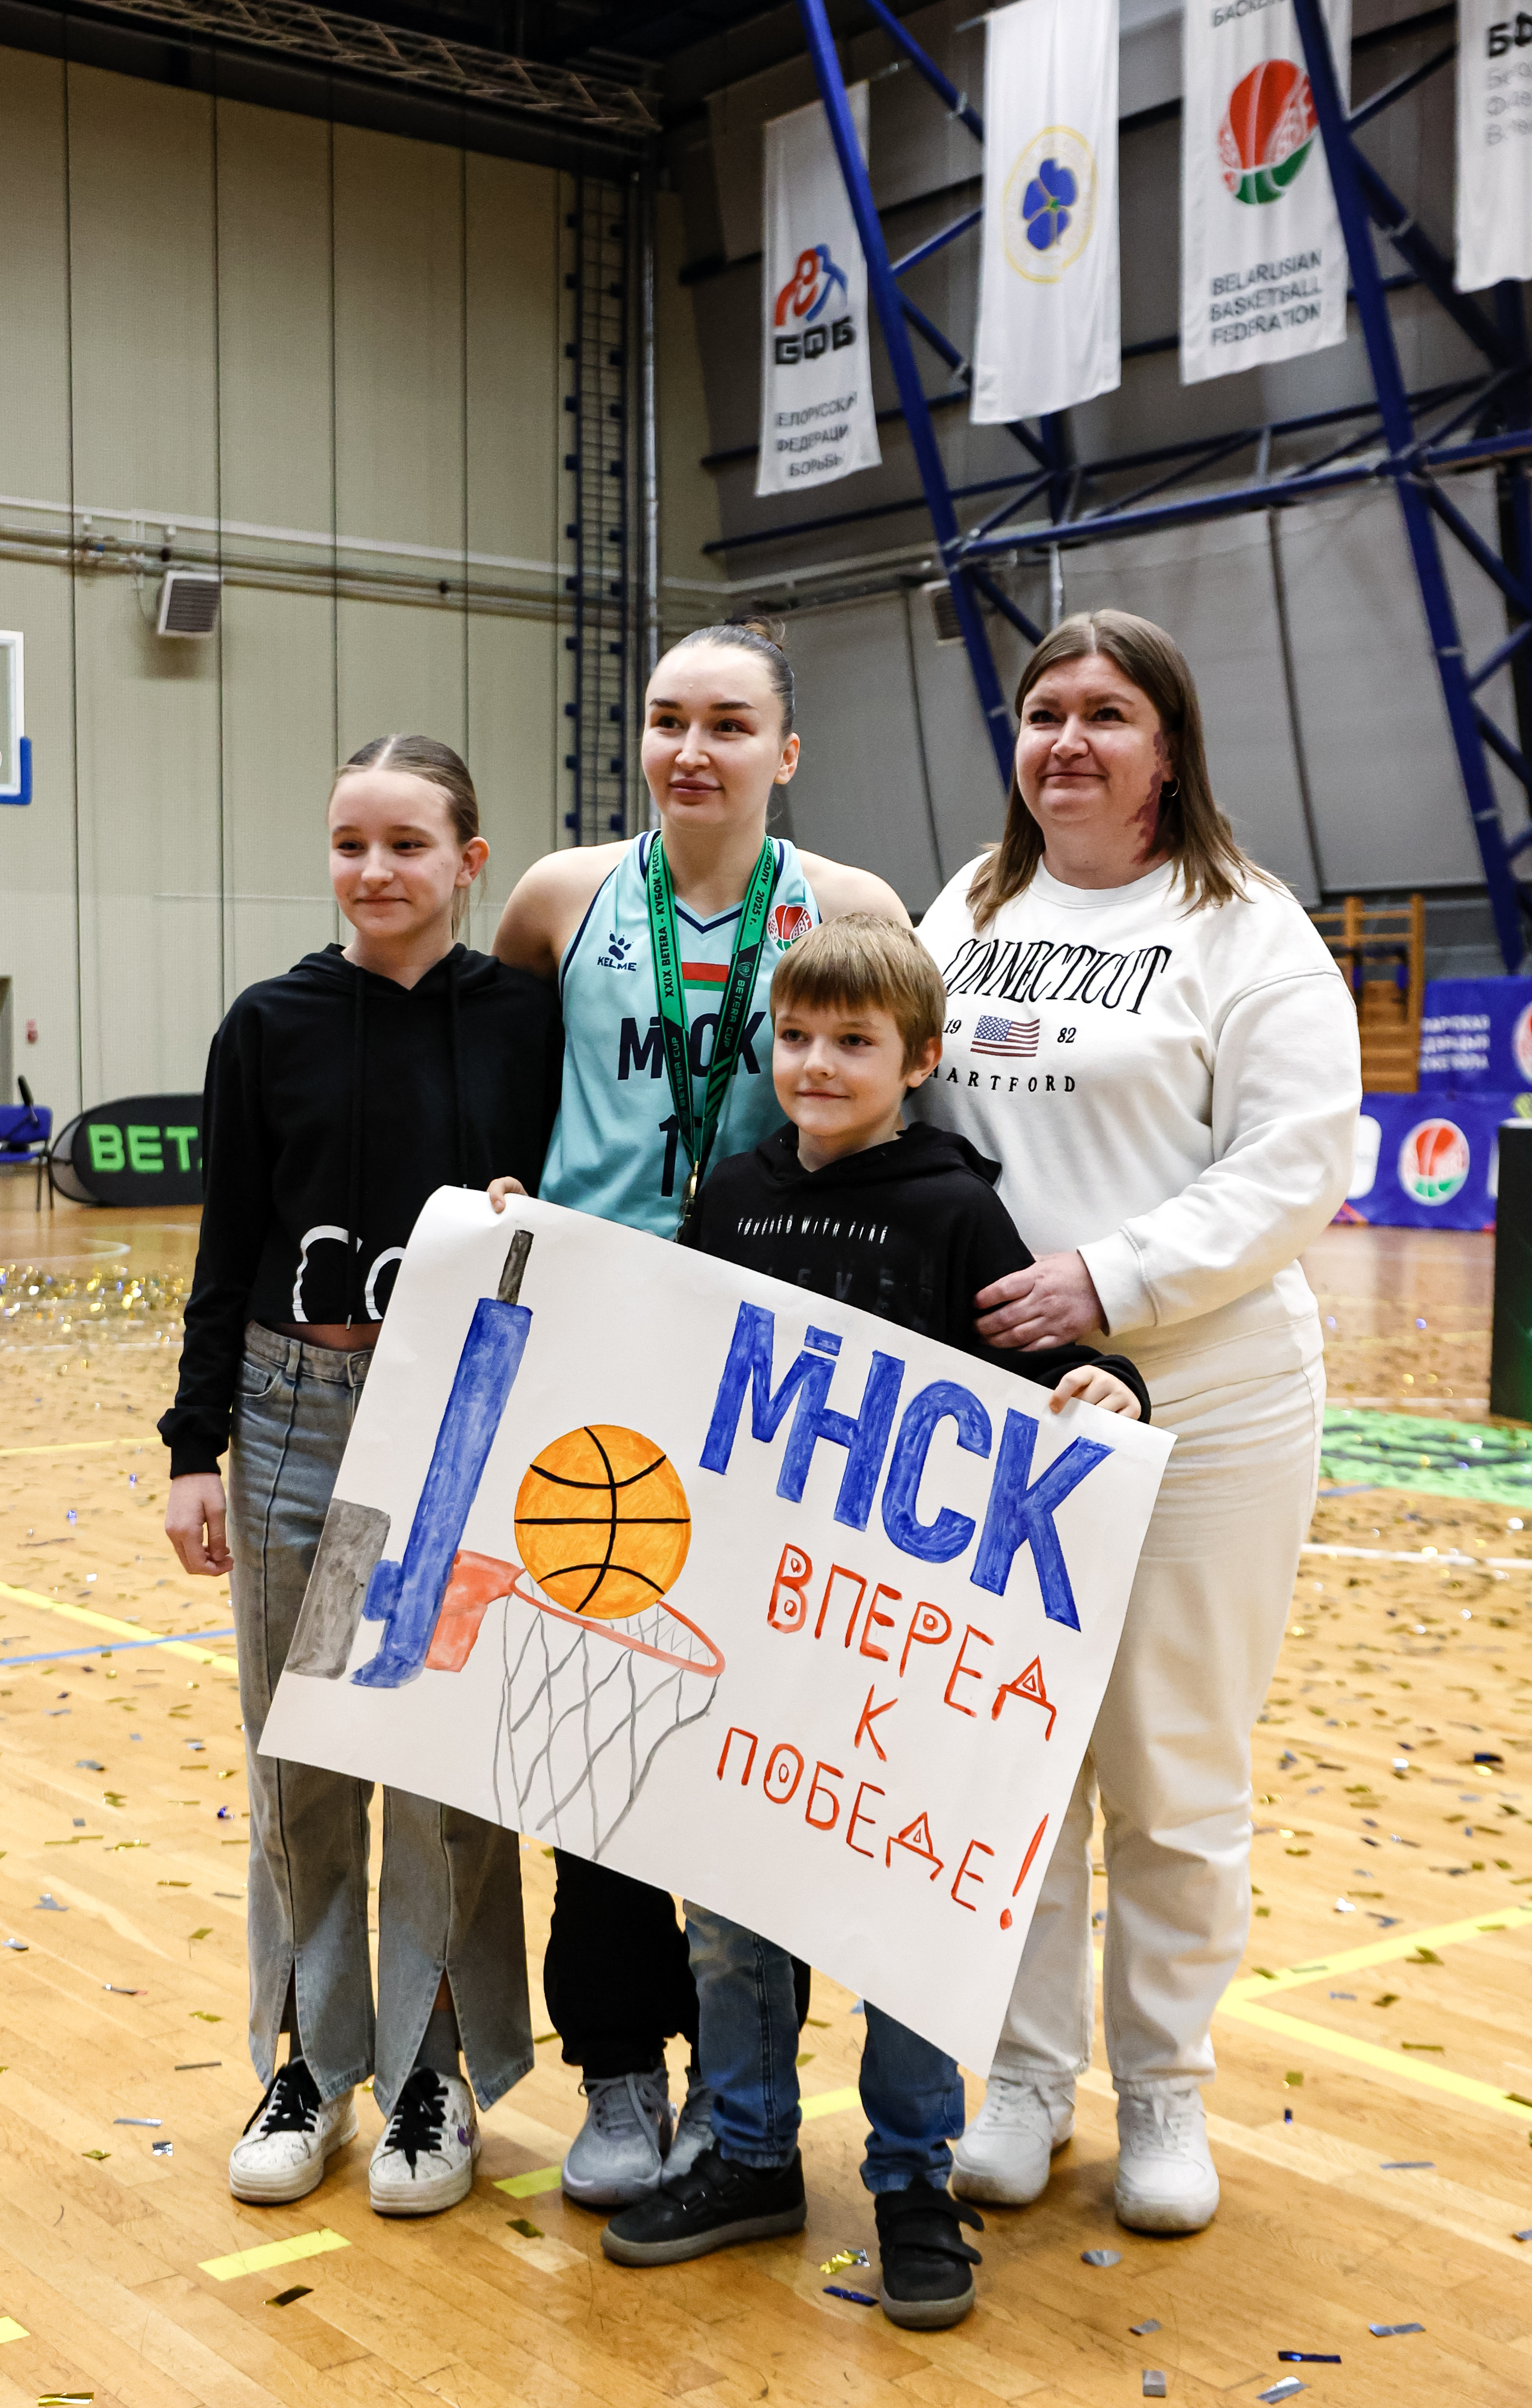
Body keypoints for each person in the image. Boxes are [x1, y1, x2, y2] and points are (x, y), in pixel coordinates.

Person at [595, 914, 1148, 2325]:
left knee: (898, 1920)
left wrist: (1106, 1387)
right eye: (794, 1037)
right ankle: (748, 2154)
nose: (817, 1064)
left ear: (920, 1060)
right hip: (748, 1626)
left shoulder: (955, 1208)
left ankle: (910, 2180)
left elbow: (1041, 1364)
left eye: (853, 1041)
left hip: (896, 1659)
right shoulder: (732, 1193)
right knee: (728, 1911)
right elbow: (675, 1359)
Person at [913, 610, 1361, 2235]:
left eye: (1107, 714)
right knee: (1009, 1762)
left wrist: (1107, 1279)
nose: (1069, 742)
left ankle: (1163, 2089)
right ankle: (1025, 2081)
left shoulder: (1245, 926)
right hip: (1002, 1414)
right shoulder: (966, 909)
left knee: (1170, 1769)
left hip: (1210, 1407)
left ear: (1167, 749)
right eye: (1045, 712)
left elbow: (1298, 1159)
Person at [491, 619, 910, 2210]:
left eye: (728, 723)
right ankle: (616, 2073)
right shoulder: (560, 897)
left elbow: (895, 1120)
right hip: (594, 1356)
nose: (690, 748)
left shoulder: (852, 908)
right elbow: (505, 1084)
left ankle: (746, 2098)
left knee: (753, 1739)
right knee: (586, 1733)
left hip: (769, 1372)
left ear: (784, 752)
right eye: (667, 719)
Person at [160, 735, 562, 2218]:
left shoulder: (525, 1022)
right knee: (303, 1752)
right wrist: (193, 1446)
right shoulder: (268, 1022)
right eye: (350, 844)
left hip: (460, 1418)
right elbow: (225, 1243)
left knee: (446, 1761)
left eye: (406, 844)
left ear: (468, 861)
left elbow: (577, 1221)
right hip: (290, 1413)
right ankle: (311, 2063)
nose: (374, 870)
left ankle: (432, 2071)